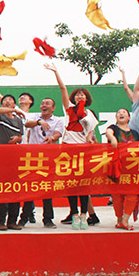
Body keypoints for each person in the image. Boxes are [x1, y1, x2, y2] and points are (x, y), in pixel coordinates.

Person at [45, 62, 98, 230]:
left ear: (87, 98)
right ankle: (74, 214)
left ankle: (84, 215)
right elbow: (62, 89)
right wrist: (56, 72)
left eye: (82, 95)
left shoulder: (90, 114)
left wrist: (90, 140)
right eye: (77, 95)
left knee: (83, 184)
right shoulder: (69, 109)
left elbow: (89, 132)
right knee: (70, 184)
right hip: (68, 148)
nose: (79, 97)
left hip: (83, 150)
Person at [22, 97, 64, 228]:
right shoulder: (35, 116)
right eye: (42, 103)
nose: (44, 105)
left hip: (48, 158)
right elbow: (27, 124)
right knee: (30, 188)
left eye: (47, 104)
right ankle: (24, 217)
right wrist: (39, 122)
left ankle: (48, 219)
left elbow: (58, 134)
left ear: (53, 108)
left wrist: (52, 138)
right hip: (33, 158)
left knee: (47, 189)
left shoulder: (58, 120)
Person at [0, 93, 27, 230]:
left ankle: (12, 221)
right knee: (1, 189)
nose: (7, 102)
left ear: (14, 103)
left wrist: (18, 139)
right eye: (4, 100)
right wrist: (14, 110)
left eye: (10, 100)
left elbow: (20, 136)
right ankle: (0, 222)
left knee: (15, 190)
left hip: (14, 158)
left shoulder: (18, 120)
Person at [106, 108, 139, 230]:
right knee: (117, 195)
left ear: (129, 118)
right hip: (117, 167)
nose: (121, 114)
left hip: (132, 168)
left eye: (124, 112)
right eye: (118, 112)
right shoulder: (113, 129)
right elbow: (108, 132)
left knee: (132, 194)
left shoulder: (135, 133)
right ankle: (119, 219)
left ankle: (125, 219)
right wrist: (113, 138)